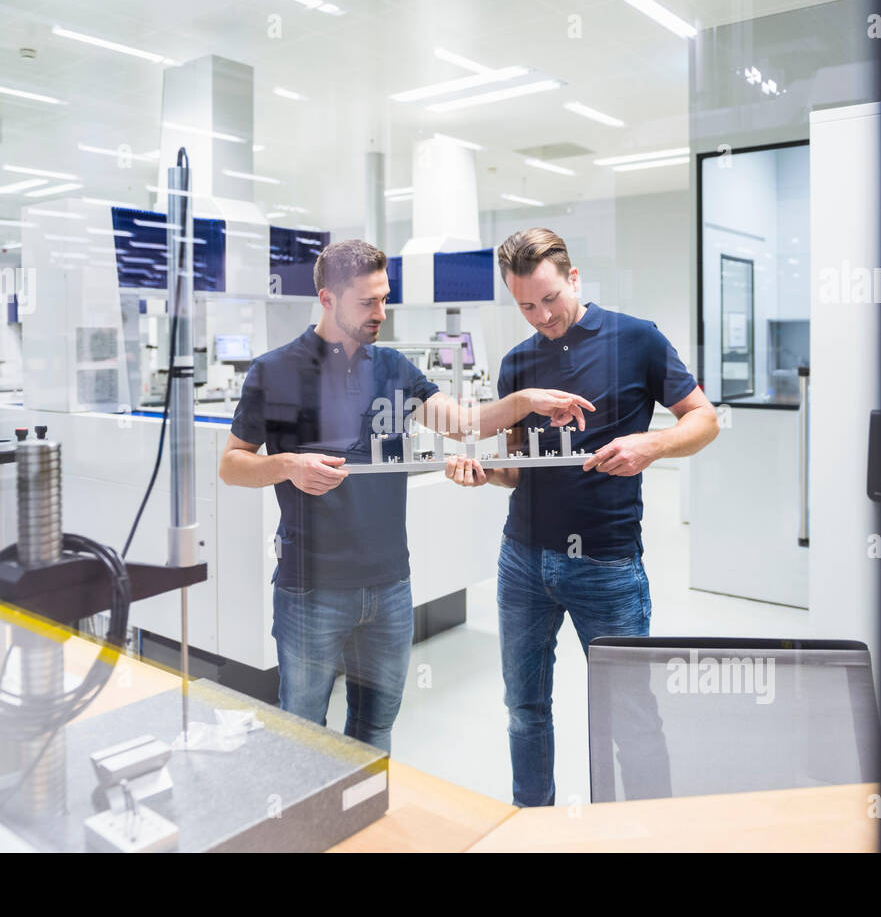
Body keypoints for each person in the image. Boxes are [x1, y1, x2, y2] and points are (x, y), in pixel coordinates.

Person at [219, 238, 594, 752]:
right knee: (302, 728)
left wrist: (524, 401)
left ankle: (364, 819)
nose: (381, 312)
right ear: (327, 299)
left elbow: (461, 423)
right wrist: (287, 465)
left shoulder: (393, 368)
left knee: (376, 726)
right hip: (310, 589)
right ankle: (306, 827)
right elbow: (232, 464)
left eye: (385, 298)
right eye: (367, 302)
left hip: (390, 586)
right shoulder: (274, 372)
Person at [445, 227, 719, 805]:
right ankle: (533, 824)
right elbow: (517, 467)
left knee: (631, 720)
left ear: (574, 278)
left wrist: (650, 444)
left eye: (551, 299)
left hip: (607, 564)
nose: (542, 315)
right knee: (524, 711)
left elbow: (704, 420)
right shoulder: (518, 363)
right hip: (522, 562)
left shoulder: (636, 338)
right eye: (526, 306)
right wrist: (483, 471)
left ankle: (641, 837)